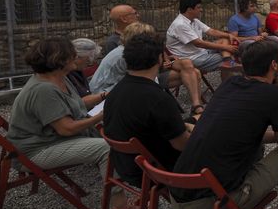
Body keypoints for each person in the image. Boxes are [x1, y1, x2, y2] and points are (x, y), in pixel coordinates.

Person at [170, 40, 278, 209]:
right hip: (212, 207)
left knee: (253, 143)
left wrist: (270, 137)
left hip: (179, 198)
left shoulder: (229, 84)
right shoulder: (276, 94)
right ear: (274, 65)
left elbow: (245, 132)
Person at [7, 38, 136, 209]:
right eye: (71, 54)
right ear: (59, 60)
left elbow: (79, 104)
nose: (76, 56)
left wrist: (107, 96)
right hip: (36, 151)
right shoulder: (44, 90)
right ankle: (120, 208)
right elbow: (66, 129)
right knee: (105, 148)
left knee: (119, 130)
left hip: (50, 140)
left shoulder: (59, 78)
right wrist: (101, 117)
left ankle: (138, 179)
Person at [103, 33, 191, 187]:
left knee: (197, 119)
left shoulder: (115, 92)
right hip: (157, 171)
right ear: (159, 59)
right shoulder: (157, 98)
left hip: (127, 166)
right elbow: (182, 145)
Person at [92, 22, 206, 115]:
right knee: (192, 72)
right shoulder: (125, 55)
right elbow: (143, 81)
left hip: (123, 86)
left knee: (192, 71)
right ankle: (196, 109)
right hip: (106, 93)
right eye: (150, 37)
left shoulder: (131, 50)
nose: (154, 39)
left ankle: (196, 106)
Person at [166, 0, 239, 73]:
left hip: (200, 52)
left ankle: (227, 60)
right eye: (199, 8)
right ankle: (230, 62)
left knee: (225, 40)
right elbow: (199, 43)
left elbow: (211, 31)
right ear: (189, 9)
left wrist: (228, 35)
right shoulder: (180, 24)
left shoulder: (194, 20)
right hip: (189, 58)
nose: (201, 10)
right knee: (226, 56)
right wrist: (226, 47)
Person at [66, 38, 101, 104]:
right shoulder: (66, 74)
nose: (90, 63)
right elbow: (78, 103)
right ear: (77, 56)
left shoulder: (79, 71)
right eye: (87, 60)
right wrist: (104, 95)